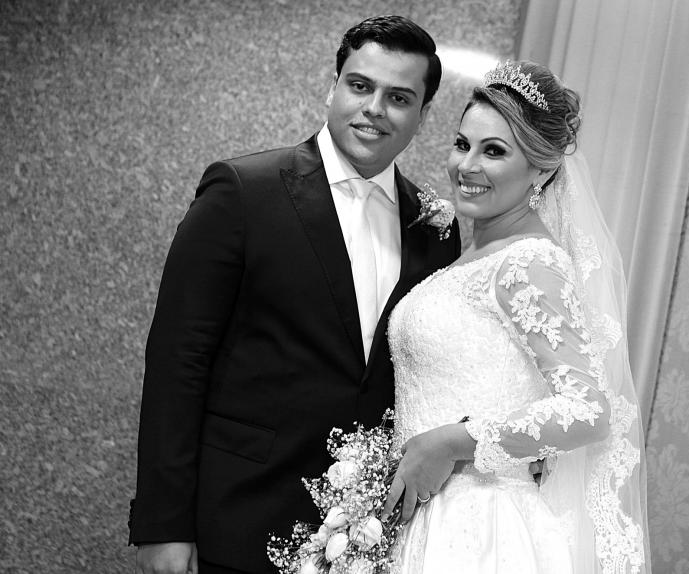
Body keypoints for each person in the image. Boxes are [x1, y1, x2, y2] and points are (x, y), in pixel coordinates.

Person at [128, 15, 461, 574]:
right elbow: (177, 362)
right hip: (234, 518)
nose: (375, 108)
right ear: (333, 87)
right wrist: (164, 525)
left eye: (399, 97)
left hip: (365, 534)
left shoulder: (435, 230)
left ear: (422, 115)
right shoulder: (242, 192)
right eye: (360, 86)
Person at [382, 61, 650, 573]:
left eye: (494, 151)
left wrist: (450, 442)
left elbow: (589, 410)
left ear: (542, 170)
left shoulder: (530, 262)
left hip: (479, 529)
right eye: (462, 144)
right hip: (421, 516)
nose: (467, 165)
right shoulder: (472, 256)